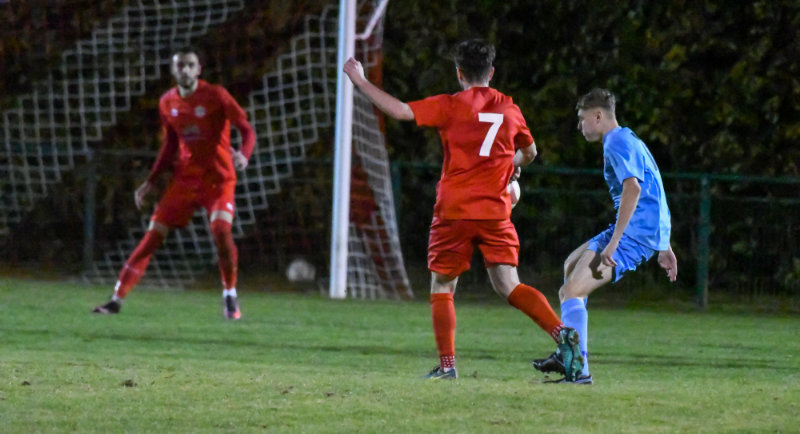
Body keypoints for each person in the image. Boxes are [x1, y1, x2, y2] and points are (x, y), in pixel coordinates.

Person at [344, 39, 584, 381]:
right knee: (509, 285)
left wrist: (360, 80)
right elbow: (530, 153)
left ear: (459, 73)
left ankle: (447, 366)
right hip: (495, 210)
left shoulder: (450, 105)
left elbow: (399, 111)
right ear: (491, 72)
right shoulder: (509, 109)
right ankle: (562, 333)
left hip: (454, 210)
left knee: (443, 284)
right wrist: (511, 164)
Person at [93, 46, 256, 320]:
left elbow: (247, 129)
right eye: (180, 65)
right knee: (152, 236)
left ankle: (230, 294)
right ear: (173, 70)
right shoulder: (167, 102)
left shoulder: (216, 95)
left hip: (218, 179)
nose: (185, 70)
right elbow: (169, 145)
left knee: (221, 230)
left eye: (190, 65)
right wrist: (150, 181)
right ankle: (115, 300)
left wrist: (244, 154)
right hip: (185, 180)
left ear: (199, 69)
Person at [532, 88, 678, 384]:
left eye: (582, 118)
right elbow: (656, 187)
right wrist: (664, 243)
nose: (579, 126)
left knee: (573, 291)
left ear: (598, 116)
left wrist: (615, 243)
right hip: (637, 231)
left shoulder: (617, 142)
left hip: (632, 235)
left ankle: (577, 367)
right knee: (570, 268)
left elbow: (634, 188)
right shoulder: (628, 137)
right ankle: (571, 357)